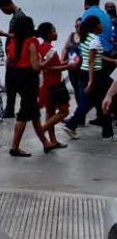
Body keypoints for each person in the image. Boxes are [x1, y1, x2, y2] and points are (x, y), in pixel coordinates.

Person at [6, 16, 54, 156]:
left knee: (34, 113)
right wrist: (46, 62)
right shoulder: (31, 42)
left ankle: (46, 143)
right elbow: (35, 66)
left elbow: (9, 61)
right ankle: (14, 147)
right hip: (29, 79)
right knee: (25, 112)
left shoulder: (13, 41)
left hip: (17, 77)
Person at [62, 15, 115, 141]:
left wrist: (112, 60)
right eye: (100, 24)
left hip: (85, 72)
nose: (103, 26)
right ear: (95, 26)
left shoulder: (86, 38)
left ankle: (72, 125)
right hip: (94, 74)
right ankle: (107, 133)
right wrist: (91, 81)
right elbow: (92, 61)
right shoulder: (95, 40)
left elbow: (96, 56)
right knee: (102, 101)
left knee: (90, 101)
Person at [36, 22, 71, 150]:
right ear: (49, 34)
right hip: (54, 84)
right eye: (54, 31)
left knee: (50, 113)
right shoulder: (49, 49)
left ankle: (53, 140)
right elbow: (50, 68)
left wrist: (63, 64)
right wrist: (67, 66)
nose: (56, 33)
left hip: (47, 84)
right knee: (64, 111)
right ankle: (42, 130)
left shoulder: (41, 47)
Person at [0, 0, 27, 119]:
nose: (5, 13)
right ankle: (10, 109)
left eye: (4, 10)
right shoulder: (16, 16)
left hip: (16, 55)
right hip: (12, 53)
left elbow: (21, 35)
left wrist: (4, 34)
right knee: (11, 84)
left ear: (7, 5)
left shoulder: (19, 17)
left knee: (15, 83)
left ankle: (24, 106)